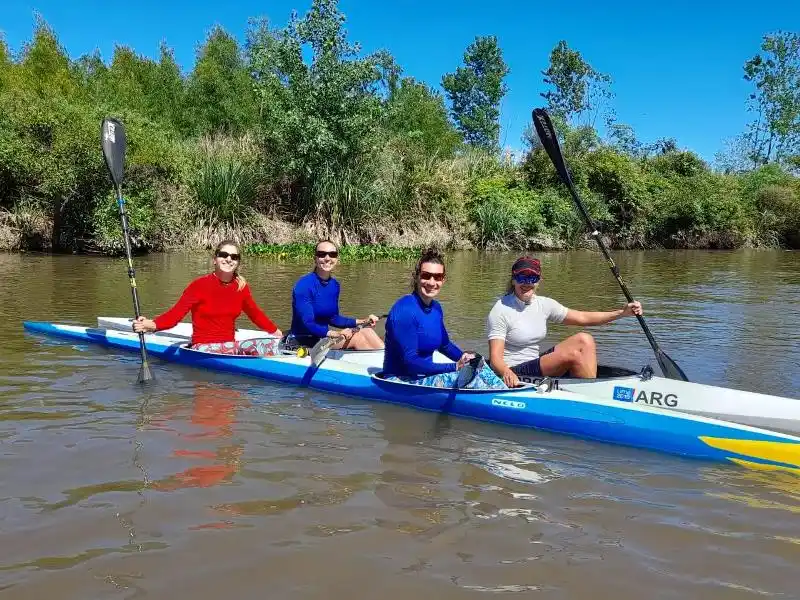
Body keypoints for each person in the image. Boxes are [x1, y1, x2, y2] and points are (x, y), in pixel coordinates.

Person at [487, 256, 643, 387]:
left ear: (539, 281)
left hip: (534, 363)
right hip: (513, 371)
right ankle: (589, 392)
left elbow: (582, 318)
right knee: (572, 354)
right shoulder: (501, 310)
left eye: (532, 278)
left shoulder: (544, 304)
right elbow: (495, 359)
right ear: (513, 280)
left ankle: (589, 387)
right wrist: (506, 372)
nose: (527, 283)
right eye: (522, 278)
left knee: (585, 339)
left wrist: (622, 313)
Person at [382, 247, 506, 389]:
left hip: (425, 377)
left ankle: (509, 394)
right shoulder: (404, 310)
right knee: (471, 379)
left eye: (438, 277)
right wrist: (454, 367)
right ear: (416, 276)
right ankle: (507, 404)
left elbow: (444, 345)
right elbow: (410, 362)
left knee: (479, 365)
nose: (432, 282)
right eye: (426, 276)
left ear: (443, 279)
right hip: (401, 381)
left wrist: (465, 359)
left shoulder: (436, 308)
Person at [133, 240, 283, 356]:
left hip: (228, 347)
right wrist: (151, 325)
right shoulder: (199, 286)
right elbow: (175, 315)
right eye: (224, 255)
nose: (229, 259)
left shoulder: (240, 287)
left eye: (234, 257)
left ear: (238, 262)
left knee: (275, 343)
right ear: (215, 259)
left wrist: (276, 332)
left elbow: (255, 314)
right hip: (202, 348)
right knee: (260, 345)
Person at [286, 239, 383, 351]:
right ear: (315, 258)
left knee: (368, 331)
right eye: (322, 254)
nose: (327, 258)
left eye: (332, 254)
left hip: (322, 337)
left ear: (336, 259)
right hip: (302, 341)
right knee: (358, 338)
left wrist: (364, 321)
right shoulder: (303, 285)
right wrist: (335, 333)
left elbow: (333, 318)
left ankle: (389, 363)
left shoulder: (334, 285)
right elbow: (307, 322)